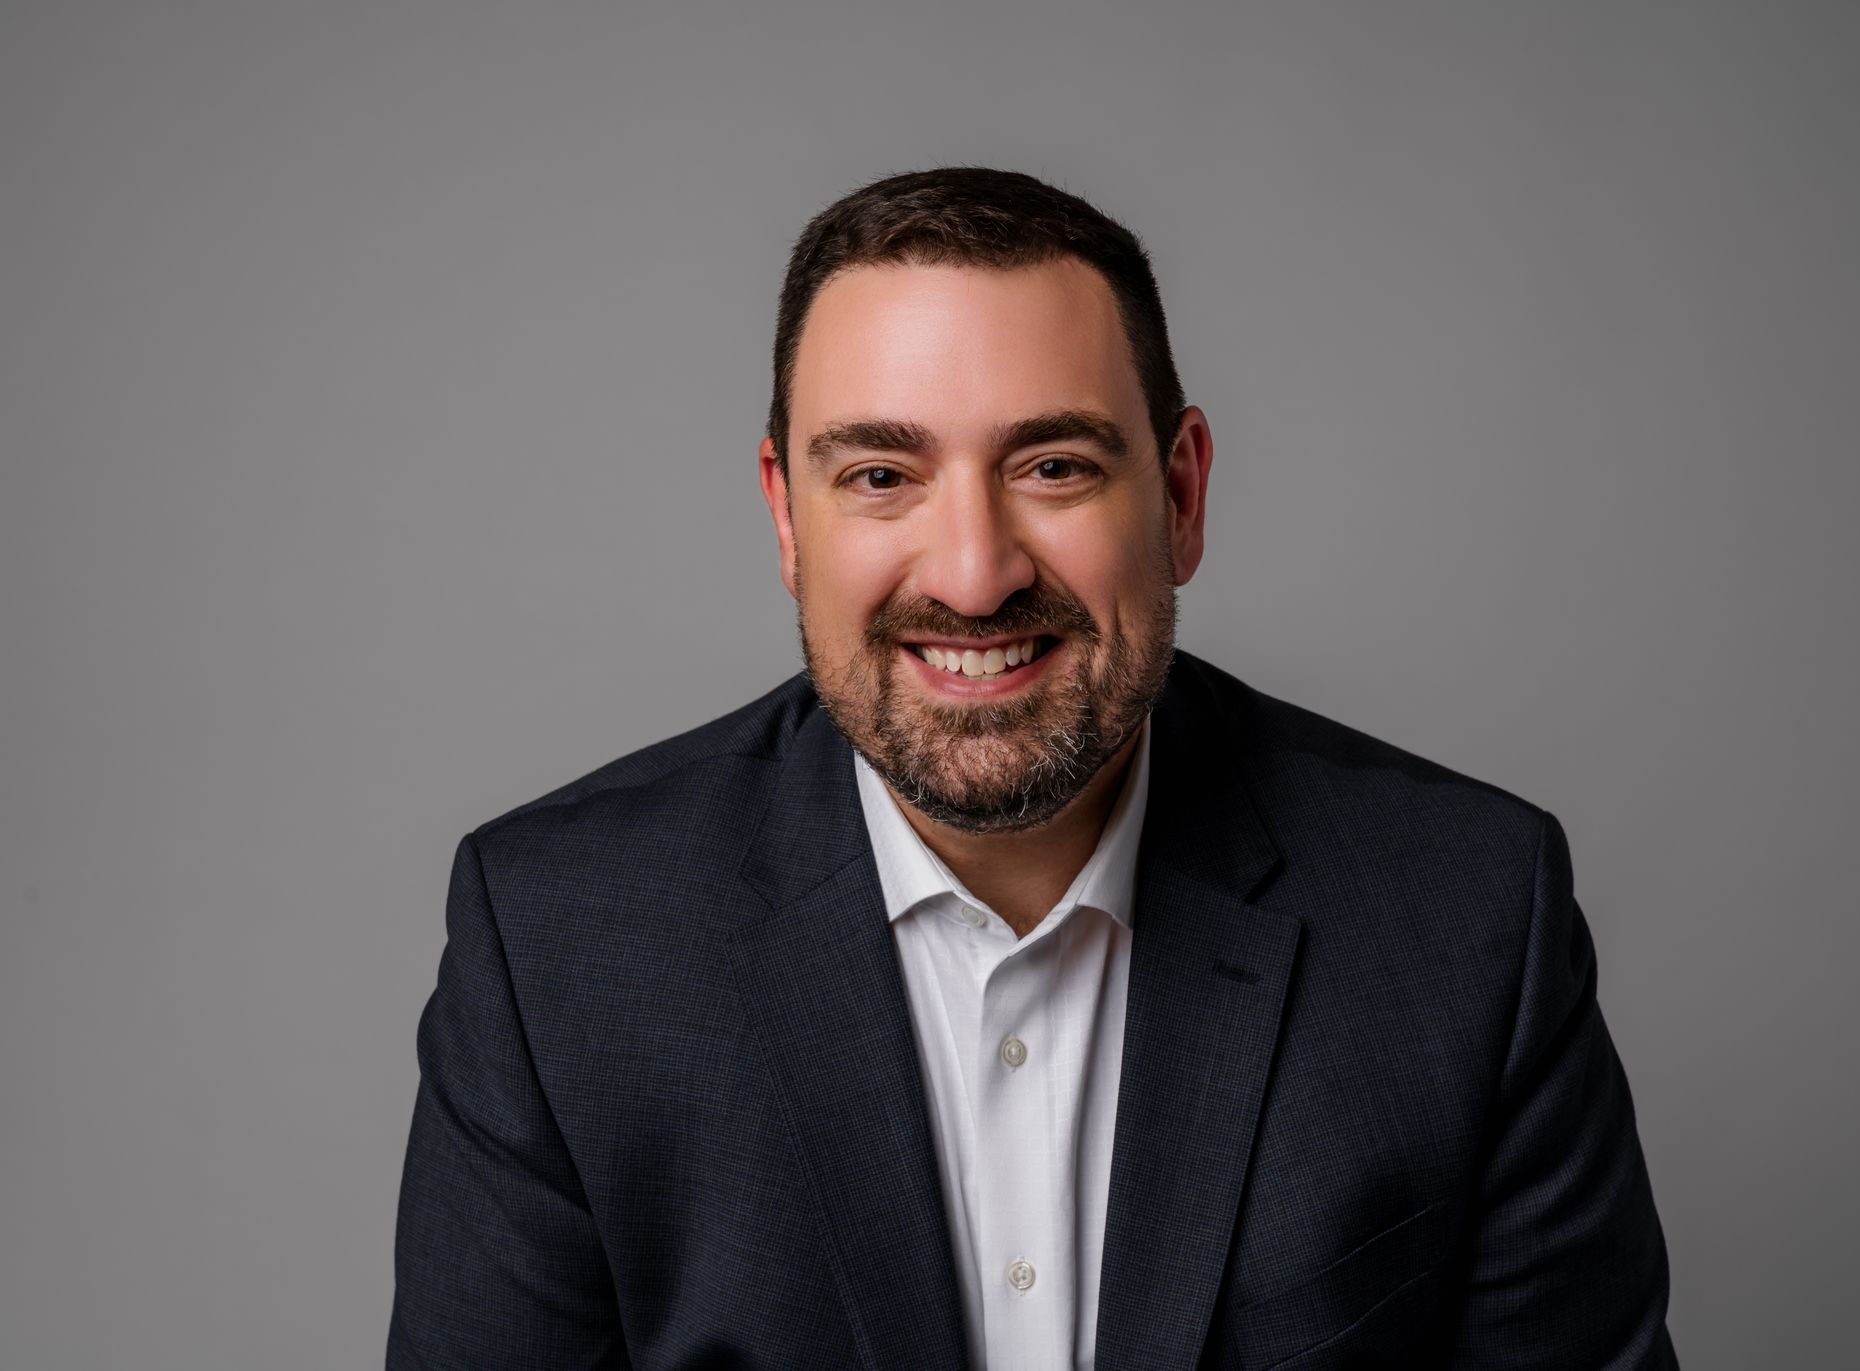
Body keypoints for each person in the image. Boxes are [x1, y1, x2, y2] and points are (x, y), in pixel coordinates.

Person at [388, 167, 1678, 1371]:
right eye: (883, 475)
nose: (973, 574)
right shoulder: (558, 943)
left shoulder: (1465, 913)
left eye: (1053, 466)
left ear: (1180, 495)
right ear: (788, 515)